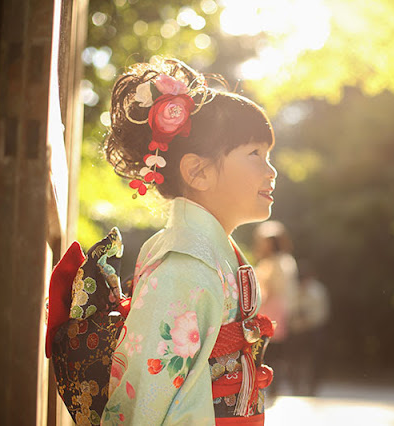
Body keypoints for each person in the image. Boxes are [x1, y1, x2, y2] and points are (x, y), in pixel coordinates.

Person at [100, 58, 278, 425]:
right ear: (199, 172)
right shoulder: (184, 267)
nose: (271, 170)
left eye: (268, 155)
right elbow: (145, 393)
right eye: (255, 154)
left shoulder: (207, 253)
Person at [252, 221, 299, 397]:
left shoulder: (273, 263)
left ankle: (269, 386)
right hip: (279, 309)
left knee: (267, 350)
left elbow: (267, 290)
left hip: (270, 308)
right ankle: (273, 387)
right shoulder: (285, 261)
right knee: (275, 350)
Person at [288, 260, 330, 396]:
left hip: (313, 329)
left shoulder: (317, 291)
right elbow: (289, 310)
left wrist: (307, 321)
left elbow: (321, 313)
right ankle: (296, 385)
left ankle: (313, 386)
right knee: (295, 358)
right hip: (297, 330)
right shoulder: (293, 290)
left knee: (314, 359)